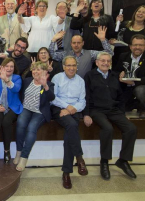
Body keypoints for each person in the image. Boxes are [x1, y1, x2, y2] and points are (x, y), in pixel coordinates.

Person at [84, 52, 138, 181]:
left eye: (108, 61)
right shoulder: (90, 75)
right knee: (108, 129)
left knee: (131, 129)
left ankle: (123, 161)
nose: (105, 63)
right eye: (102, 60)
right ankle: (104, 162)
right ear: (97, 62)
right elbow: (85, 96)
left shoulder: (115, 76)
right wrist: (86, 114)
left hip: (114, 110)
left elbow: (121, 97)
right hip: (96, 110)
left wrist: (122, 113)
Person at [51, 56, 89, 189]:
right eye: (68, 65)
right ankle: (79, 157)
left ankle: (66, 173)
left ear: (77, 67)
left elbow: (82, 100)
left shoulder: (81, 81)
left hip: (74, 110)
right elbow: (53, 98)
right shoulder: (57, 78)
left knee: (70, 133)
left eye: (74, 65)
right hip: (59, 109)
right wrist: (67, 107)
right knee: (72, 125)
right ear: (63, 67)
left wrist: (73, 109)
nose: (71, 68)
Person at [15, 61, 55, 172]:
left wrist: (45, 85)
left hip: (39, 112)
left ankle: (24, 157)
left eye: (39, 69)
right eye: (34, 69)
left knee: (31, 129)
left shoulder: (49, 84)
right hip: (26, 109)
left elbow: (51, 97)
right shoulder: (27, 81)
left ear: (44, 72)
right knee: (20, 123)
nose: (35, 71)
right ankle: (18, 151)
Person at [0, 58, 22, 163]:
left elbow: (16, 89)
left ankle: (7, 150)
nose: (9, 68)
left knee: (6, 122)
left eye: (12, 66)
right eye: (7, 66)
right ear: (2, 67)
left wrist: (6, 79)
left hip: (13, 107)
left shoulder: (17, 78)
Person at [115, 34, 145, 119]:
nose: (137, 47)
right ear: (130, 46)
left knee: (140, 91)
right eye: (135, 45)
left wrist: (133, 82)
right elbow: (115, 72)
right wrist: (120, 74)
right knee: (124, 107)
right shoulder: (123, 56)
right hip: (125, 86)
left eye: (141, 45)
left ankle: (143, 109)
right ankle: (134, 104)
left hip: (141, 85)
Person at [49, 27, 113, 78]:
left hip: (86, 85)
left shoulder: (90, 54)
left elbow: (109, 54)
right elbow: (51, 55)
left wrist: (103, 40)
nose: (76, 45)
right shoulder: (65, 54)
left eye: (78, 43)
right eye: (74, 43)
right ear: (71, 44)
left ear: (83, 43)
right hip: (68, 84)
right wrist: (53, 40)